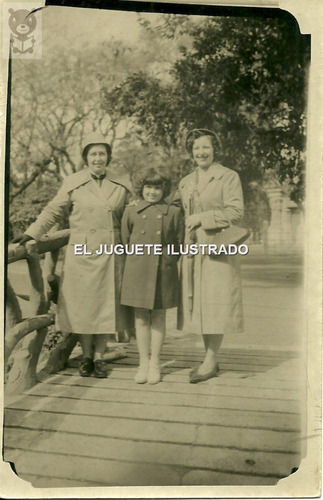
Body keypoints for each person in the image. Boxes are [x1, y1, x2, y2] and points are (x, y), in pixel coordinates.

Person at [12, 133, 132, 378]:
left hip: (111, 252)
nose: (98, 158)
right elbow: (53, 211)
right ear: (86, 157)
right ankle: (86, 356)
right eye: (93, 154)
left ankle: (99, 357)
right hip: (83, 252)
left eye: (102, 153)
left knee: (106, 305)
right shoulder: (73, 182)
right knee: (85, 306)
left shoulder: (122, 184)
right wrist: (31, 233)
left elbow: (133, 216)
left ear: (108, 156)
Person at [173, 128, 244, 383]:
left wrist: (202, 218)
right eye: (196, 149)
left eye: (206, 147)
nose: (201, 152)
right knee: (200, 304)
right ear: (191, 153)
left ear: (215, 150)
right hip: (194, 248)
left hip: (218, 247)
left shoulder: (228, 177)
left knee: (215, 302)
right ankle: (209, 357)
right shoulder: (186, 181)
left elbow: (236, 212)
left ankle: (211, 359)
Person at [121, 168, 184, 384]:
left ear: (164, 189)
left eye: (157, 187)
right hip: (137, 269)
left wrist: (167, 263)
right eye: (148, 187)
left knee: (158, 316)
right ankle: (143, 363)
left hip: (162, 269)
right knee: (140, 317)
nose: (153, 192)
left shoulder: (173, 212)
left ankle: (155, 362)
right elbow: (125, 240)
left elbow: (178, 243)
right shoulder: (131, 211)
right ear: (141, 189)